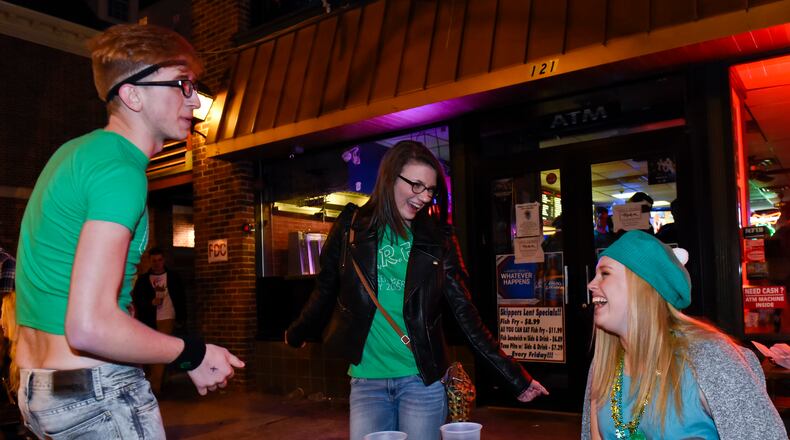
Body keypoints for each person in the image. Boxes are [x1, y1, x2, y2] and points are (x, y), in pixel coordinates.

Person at [15, 24, 243, 439]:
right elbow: (89, 325)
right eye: (182, 84)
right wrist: (192, 353)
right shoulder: (122, 171)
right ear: (132, 94)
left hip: (42, 387)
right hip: (95, 395)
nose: (194, 100)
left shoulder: (76, 153)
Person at [285, 141, 548, 440]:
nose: (424, 196)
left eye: (431, 189)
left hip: (421, 381)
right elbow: (325, 288)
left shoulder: (438, 239)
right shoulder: (350, 228)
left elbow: (466, 314)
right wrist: (297, 332)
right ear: (390, 178)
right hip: (367, 382)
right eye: (416, 185)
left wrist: (515, 376)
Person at [581, 230, 786, 439]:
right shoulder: (604, 366)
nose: (590, 284)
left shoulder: (711, 360)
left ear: (644, 285)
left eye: (605, 274)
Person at [132, 247, 186, 394]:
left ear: (164, 260)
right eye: (154, 260)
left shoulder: (173, 277)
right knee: (152, 351)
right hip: (149, 319)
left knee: (160, 349)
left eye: (159, 260)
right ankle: (157, 381)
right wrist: (151, 303)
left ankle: (155, 386)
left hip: (167, 316)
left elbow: (181, 298)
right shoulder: (143, 280)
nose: (157, 263)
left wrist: (181, 318)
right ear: (150, 261)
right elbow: (137, 299)